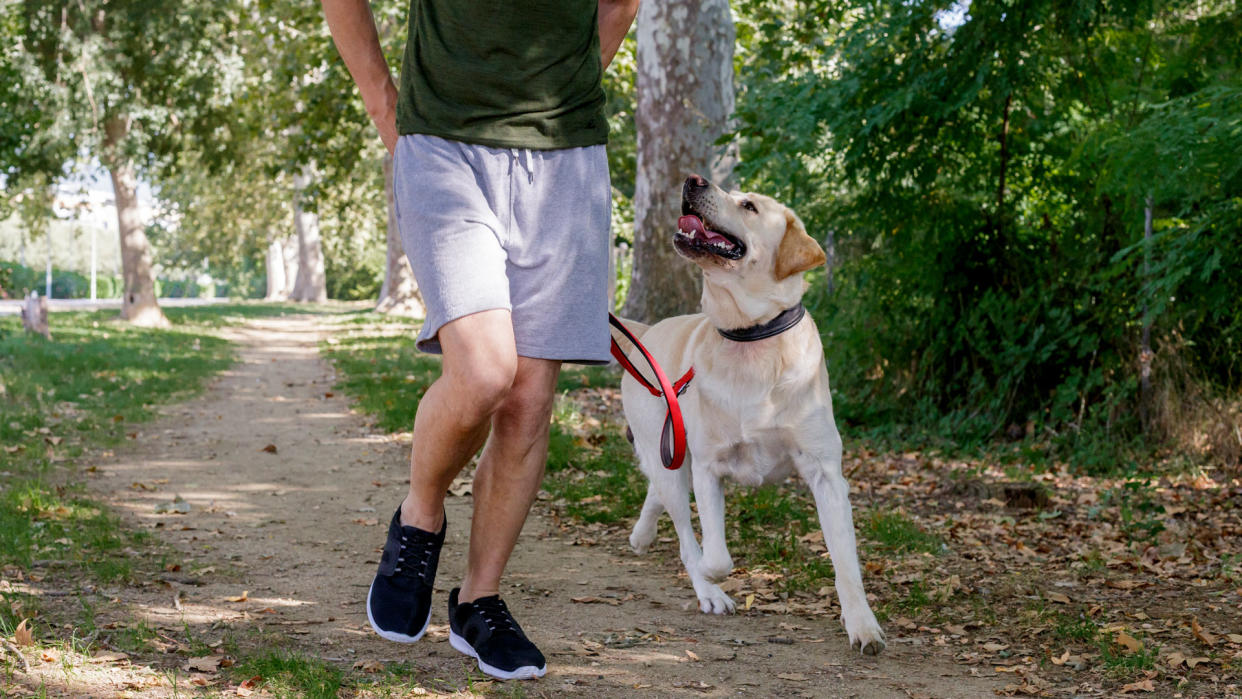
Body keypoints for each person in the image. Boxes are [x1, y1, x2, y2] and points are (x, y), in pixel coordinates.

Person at [321, 0, 640, 681]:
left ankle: (478, 598)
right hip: (442, 141)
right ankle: (421, 514)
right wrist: (386, 108)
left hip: (564, 154)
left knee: (529, 397)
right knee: (486, 370)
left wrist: (558, 100)